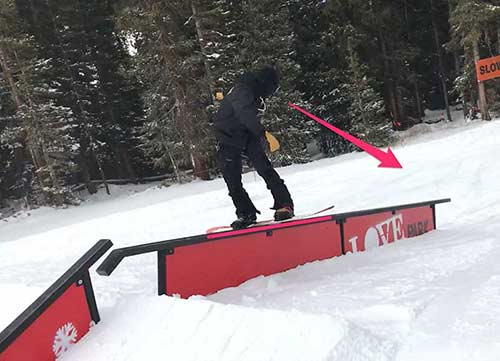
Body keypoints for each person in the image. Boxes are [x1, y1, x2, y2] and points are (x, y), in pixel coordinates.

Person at [213, 66, 294, 229]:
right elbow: (242, 112)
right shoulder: (244, 88)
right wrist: (263, 133)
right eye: (274, 87)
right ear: (267, 83)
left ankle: (284, 205)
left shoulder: (254, 92)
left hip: (246, 135)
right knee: (232, 179)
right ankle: (245, 213)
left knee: (265, 169)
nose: (273, 92)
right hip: (227, 137)